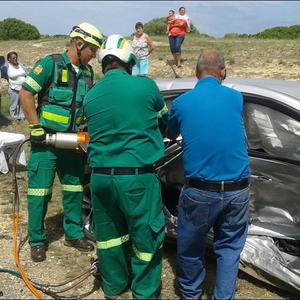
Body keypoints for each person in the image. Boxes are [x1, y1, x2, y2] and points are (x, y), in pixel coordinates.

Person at [83, 34, 167, 299]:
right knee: (146, 240)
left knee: (109, 238)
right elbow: (165, 123)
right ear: (130, 60)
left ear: (102, 63)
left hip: (100, 180)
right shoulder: (146, 87)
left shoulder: (91, 95)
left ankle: (113, 286)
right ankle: (144, 292)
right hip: (136, 180)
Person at [167, 49, 251, 300]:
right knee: (228, 250)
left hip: (201, 192)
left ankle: (191, 294)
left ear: (195, 72)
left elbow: (170, 134)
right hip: (238, 190)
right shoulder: (236, 98)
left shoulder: (182, 103)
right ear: (223, 71)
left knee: (191, 249)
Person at [19, 22, 104, 263]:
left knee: (74, 190)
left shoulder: (88, 74)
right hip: (45, 143)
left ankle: (73, 234)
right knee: (39, 193)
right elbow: (26, 93)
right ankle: (37, 240)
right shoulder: (50, 64)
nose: (94, 55)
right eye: (92, 50)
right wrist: (35, 126)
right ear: (79, 45)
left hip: (71, 144)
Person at [6, 51, 26, 121]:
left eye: (16, 57)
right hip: (14, 89)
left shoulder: (21, 65)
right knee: (13, 105)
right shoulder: (6, 66)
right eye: (13, 58)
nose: (15, 59)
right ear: (9, 59)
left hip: (23, 89)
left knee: (22, 104)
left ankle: (21, 117)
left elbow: (26, 74)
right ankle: (14, 118)